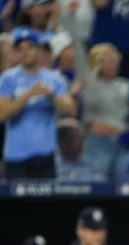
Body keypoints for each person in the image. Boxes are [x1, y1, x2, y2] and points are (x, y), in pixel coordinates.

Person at [65, 3, 129, 181]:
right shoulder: (90, 84)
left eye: (114, 60)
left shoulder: (125, 85)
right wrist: (71, 19)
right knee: (96, 186)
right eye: (106, 61)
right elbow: (78, 51)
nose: (111, 64)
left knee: (124, 188)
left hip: (121, 144)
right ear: (97, 64)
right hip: (97, 142)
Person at [0, 27, 77, 179]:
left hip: (46, 156)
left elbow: (72, 110)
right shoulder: (8, 79)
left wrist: (51, 96)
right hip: (16, 157)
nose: (25, 52)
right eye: (20, 49)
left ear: (39, 50)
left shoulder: (54, 79)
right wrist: (26, 96)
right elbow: (2, 115)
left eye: (30, 47)